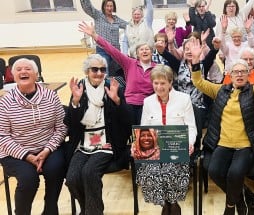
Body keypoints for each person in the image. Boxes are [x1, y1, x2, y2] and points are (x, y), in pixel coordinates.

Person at [190, 39, 254, 215]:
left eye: (243, 72)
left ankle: (230, 206)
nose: (239, 75)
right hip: (223, 143)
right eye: (236, 72)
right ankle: (246, 198)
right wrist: (195, 62)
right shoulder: (221, 91)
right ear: (230, 75)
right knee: (215, 171)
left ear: (248, 75)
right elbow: (199, 83)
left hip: (245, 145)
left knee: (234, 174)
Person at [64, 54, 131, 215]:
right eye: (95, 70)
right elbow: (71, 125)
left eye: (102, 70)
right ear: (87, 71)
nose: (99, 73)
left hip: (107, 143)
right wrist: (75, 102)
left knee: (89, 172)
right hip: (83, 143)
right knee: (72, 178)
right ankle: (90, 209)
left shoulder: (112, 87)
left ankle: (92, 212)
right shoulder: (79, 89)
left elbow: (128, 121)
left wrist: (117, 101)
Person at [0, 58, 67, 215]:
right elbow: (2, 136)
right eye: (19, 69)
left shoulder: (51, 96)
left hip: (47, 148)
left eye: (28, 69)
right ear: (13, 76)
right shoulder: (5, 102)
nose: (23, 71)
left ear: (36, 74)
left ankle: (50, 210)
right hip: (15, 153)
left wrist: (48, 150)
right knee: (29, 179)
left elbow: (62, 127)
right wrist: (27, 156)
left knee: (56, 169)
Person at [133, 64, 197, 215]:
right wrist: (138, 145)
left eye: (163, 83)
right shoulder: (148, 101)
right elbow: (144, 128)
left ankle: (170, 204)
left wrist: (190, 143)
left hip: (176, 148)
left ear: (170, 83)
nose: (159, 86)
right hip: (154, 150)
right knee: (150, 172)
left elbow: (191, 127)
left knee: (170, 170)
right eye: (156, 83)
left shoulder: (184, 99)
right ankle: (168, 203)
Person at [79, 21, 156, 126]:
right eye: (141, 50)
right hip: (130, 104)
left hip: (148, 104)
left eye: (147, 49)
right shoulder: (130, 63)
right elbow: (112, 50)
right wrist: (94, 35)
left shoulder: (157, 68)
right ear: (137, 54)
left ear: (152, 53)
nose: (145, 51)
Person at [80, 0, 128, 72]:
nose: (109, 8)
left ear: (114, 7)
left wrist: (139, 21)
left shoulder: (116, 19)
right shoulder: (98, 15)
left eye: (111, 6)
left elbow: (128, 25)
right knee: (104, 72)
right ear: (104, 7)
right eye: (107, 6)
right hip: (102, 51)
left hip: (115, 51)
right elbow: (88, 7)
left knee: (117, 72)